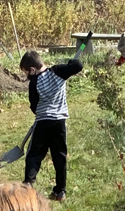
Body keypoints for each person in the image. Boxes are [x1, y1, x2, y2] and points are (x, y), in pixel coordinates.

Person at [19, 48, 83, 202]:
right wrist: (71, 63)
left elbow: (34, 106)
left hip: (42, 122)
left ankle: (28, 184)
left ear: (33, 69)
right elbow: (78, 65)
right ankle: (60, 191)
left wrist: (40, 110)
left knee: (34, 154)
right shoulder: (59, 71)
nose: (27, 76)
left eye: (27, 73)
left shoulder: (34, 83)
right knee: (59, 156)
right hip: (59, 122)